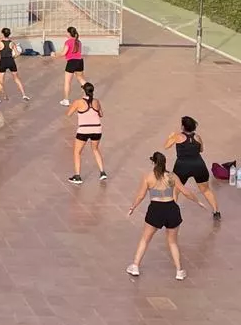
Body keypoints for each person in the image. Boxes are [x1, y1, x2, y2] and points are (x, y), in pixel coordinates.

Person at [126, 152, 208, 280]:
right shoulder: (172, 176)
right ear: (164, 163)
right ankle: (179, 271)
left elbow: (140, 196)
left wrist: (133, 207)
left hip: (155, 210)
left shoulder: (148, 177)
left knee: (145, 239)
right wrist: (198, 202)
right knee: (173, 242)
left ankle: (135, 266)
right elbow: (185, 192)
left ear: (153, 162)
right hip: (171, 209)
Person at [164, 116, 221, 221]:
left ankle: (171, 214)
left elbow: (166, 146)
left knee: (175, 189)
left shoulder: (177, 137)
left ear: (183, 127)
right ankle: (216, 212)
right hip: (198, 165)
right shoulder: (198, 137)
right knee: (206, 190)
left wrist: (170, 136)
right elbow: (201, 150)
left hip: (182, 166)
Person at [65, 82, 106, 184]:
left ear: (83, 91)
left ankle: (77, 176)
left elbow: (68, 114)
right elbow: (101, 114)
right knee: (95, 149)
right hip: (97, 129)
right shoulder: (96, 101)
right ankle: (102, 172)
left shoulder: (78, 102)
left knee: (77, 152)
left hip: (84, 130)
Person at [0, 28, 29, 101]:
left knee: (0, 81)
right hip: (11, 61)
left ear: (2, 34)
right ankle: (24, 95)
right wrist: (13, 58)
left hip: (3, 62)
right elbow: (17, 53)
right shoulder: (12, 43)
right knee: (16, 79)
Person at [58, 26, 87, 106]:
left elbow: (63, 53)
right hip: (80, 61)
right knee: (81, 79)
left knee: (67, 82)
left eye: (67, 32)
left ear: (69, 33)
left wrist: (55, 54)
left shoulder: (68, 42)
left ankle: (66, 100)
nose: (66, 33)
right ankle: (87, 95)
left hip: (72, 62)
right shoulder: (78, 42)